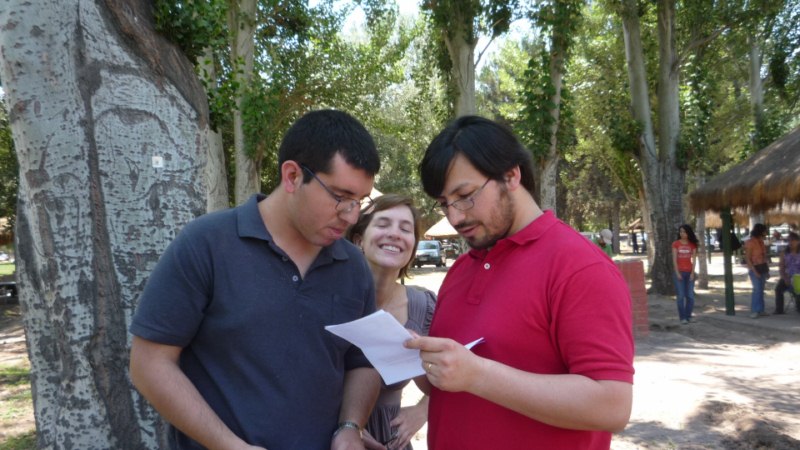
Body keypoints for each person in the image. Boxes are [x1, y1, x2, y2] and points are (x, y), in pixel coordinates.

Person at [129, 109, 383, 449]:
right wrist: (229, 446)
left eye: (359, 202)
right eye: (340, 197)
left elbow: (362, 363)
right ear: (292, 176)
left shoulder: (353, 265)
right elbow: (149, 364)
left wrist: (350, 426)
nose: (351, 217)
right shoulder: (207, 244)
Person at [404, 115, 634, 449]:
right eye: (443, 204)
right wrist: (421, 360)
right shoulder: (461, 269)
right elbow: (453, 388)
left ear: (511, 175)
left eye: (465, 195)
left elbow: (612, 406)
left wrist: (478, 374)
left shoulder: (579, 266)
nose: (455, 217)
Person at [347, 194, 436, 450]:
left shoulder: (424, 306)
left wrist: (423, 410)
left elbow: (451, 376)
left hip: (391, 441)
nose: (395, 234)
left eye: (405, 229)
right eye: (383, 224)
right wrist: (348, 426)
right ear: (358, 239)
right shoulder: (328, 300)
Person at [672, 224, 699, 325]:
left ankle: (688, 316)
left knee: (690, 296)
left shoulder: (692, 245)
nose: (682, 233)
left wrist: (692, 273)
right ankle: (682, 317)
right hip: (679, 273)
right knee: (681, 296)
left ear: (688, 232)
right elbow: (674, 260)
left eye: (684, 231)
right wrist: (677, 273)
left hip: (689, 273)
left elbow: (694, 260)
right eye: (681, 231)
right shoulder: (675, 244)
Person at [744, 223, 769, 319]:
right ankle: (754, 310)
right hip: (755, 268)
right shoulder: (750, 242)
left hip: (763, 267)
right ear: (760, 231)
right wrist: (754, 271)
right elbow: (747, 258)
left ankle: (761, 310)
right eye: (765, 231)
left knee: (761, 290)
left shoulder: (761, 242)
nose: (766, 233)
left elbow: (764, 257)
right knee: (757, 290)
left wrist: (767, 270)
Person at [774, 231, 800, 314]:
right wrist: (784, 277)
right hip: (788, 276)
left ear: (798, 241)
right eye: (789, 240)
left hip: (798, 278)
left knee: (798, 291)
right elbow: (781, 267)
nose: (790, 242)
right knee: (778, 289)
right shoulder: (784, 253)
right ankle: (779, 309)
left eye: (792, 240)